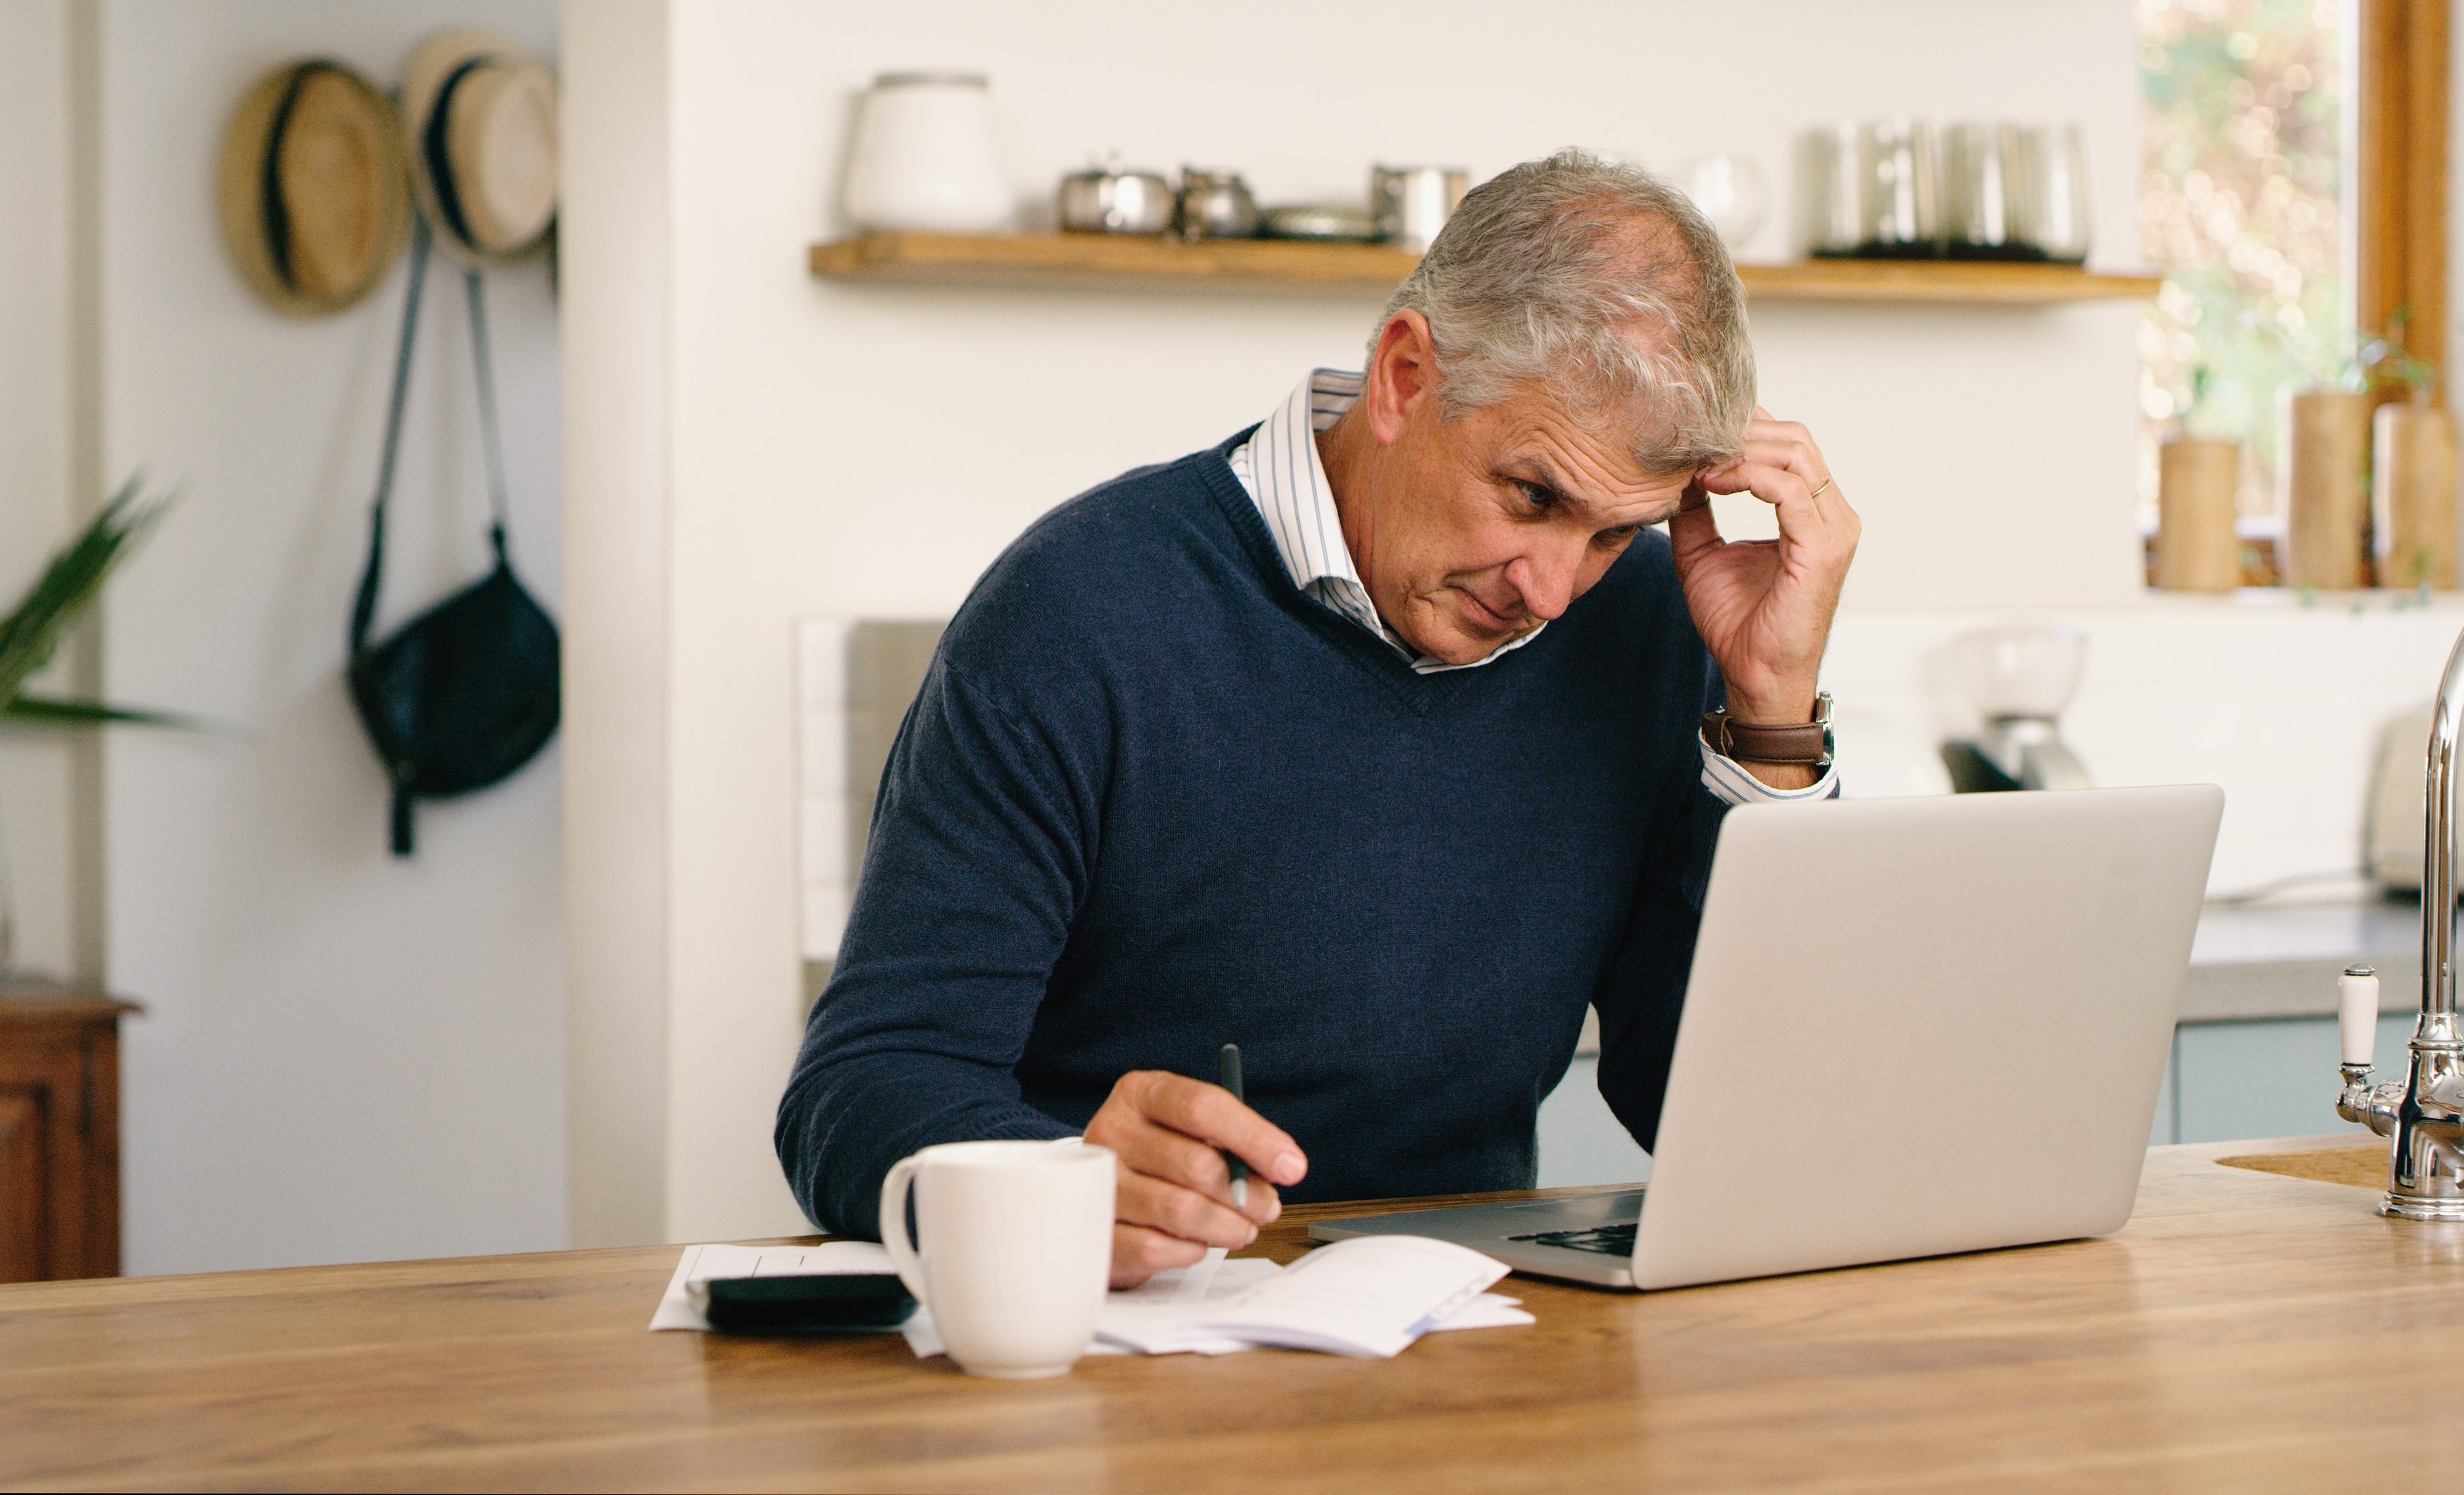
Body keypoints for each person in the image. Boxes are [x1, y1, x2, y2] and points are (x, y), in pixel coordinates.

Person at [776, 150, 1861, 1287]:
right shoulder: (1079, 607)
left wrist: (1773, 716)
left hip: (1476, 1354)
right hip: (1122, 1350)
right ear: (1402, 377)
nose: (1550, 587)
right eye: (1531, 496)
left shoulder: (1645, 621)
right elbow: (860, 1090)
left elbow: (1736, 1120)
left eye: (1609, 533)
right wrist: (1058, 1182)